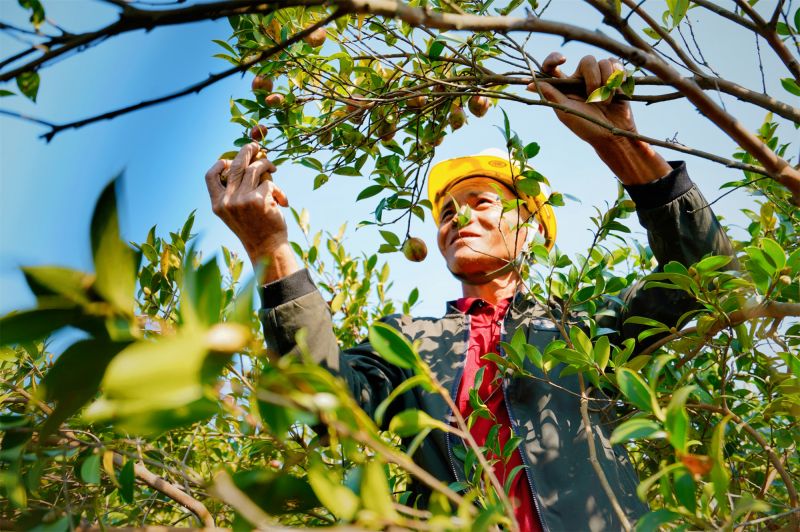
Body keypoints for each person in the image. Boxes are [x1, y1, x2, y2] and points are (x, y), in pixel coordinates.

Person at [205, 53, 735, 531]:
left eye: (481, 202)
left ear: (529, 228)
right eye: (447, 212)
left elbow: (703, 273)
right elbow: (323, 401)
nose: (459, 218)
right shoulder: (405, 342)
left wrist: (622, 146)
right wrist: (271, 250)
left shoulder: (589, 326)